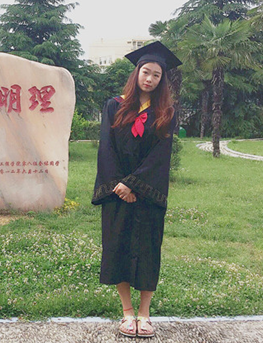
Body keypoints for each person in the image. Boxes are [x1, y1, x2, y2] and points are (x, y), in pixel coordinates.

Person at [92, 41, 182, 338]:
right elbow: (106, 148)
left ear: (162, 79)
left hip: (147, 193)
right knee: (117, 246)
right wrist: (119, 185)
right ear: (137, 73)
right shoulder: (114, 106)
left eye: (157, 75)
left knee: (147, 250)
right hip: (117, 191)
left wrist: (133, 184)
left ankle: (144, 314)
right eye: (146, 72)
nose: (150, 79)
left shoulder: (166, 112)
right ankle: (127, 312)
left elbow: (161, 155)